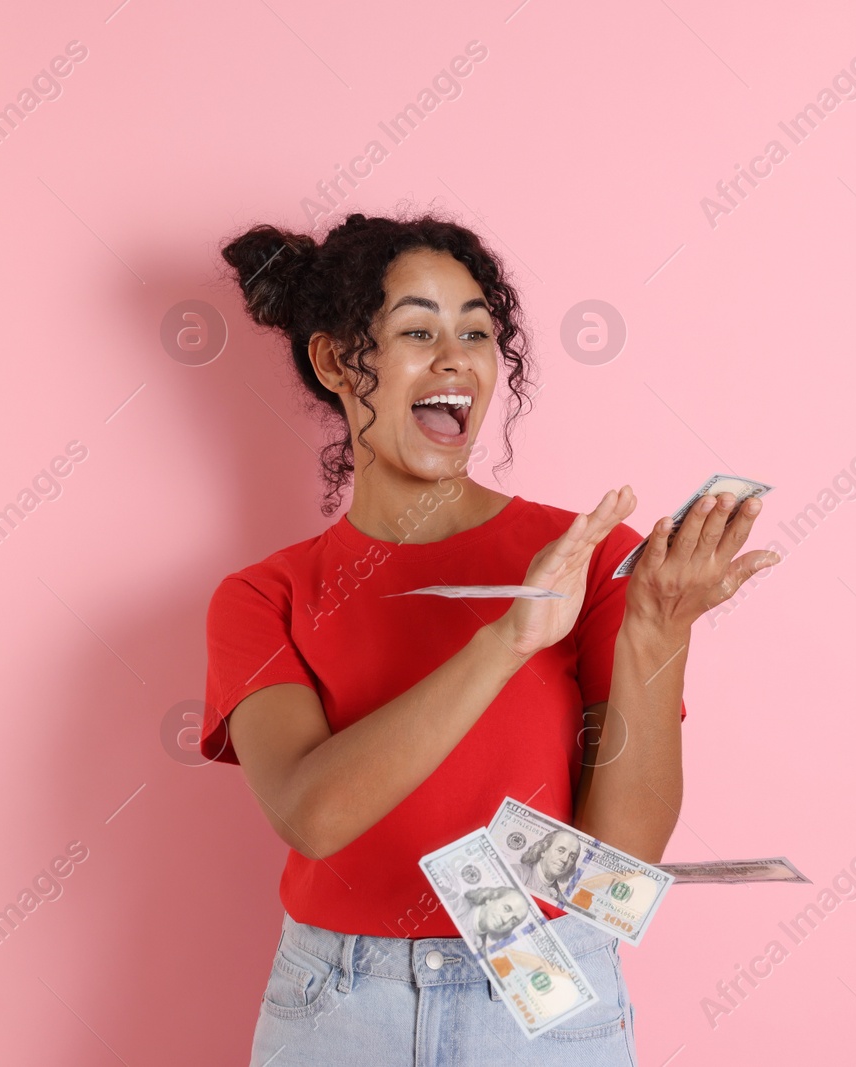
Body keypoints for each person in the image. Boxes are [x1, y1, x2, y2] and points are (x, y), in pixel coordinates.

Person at [201, 211, 780, 1065]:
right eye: (416, 331)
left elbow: (619, 861)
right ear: (332, 361)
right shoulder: (264, 596)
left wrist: (658, 630)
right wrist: (505, 639)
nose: (456, 359)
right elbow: (312, 814)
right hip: (338, 1006)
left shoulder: (591, 560)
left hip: (541, 998)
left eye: (476, 330)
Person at [517, 829, 583, 908]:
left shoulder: (562, 903)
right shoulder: (517, 874)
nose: (565, 859)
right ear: (544, 850)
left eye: (572, 857)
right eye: (560, 850)